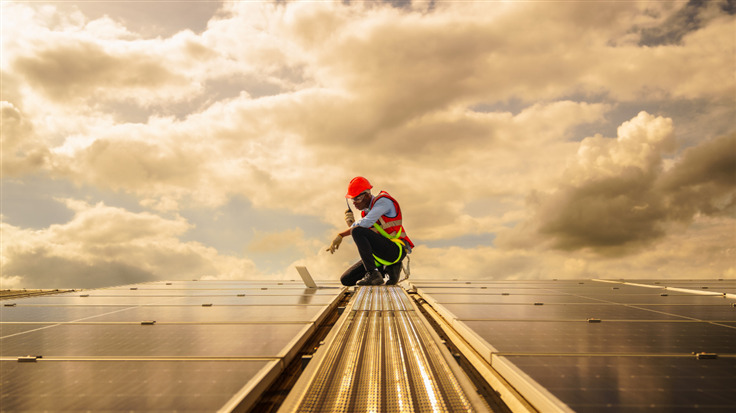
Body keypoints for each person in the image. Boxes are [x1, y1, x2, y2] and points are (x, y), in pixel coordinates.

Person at [326, 177, 414, 286]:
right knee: (346, 280)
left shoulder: (383, 201)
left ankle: (373, 274)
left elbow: (362, 226)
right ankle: (388, 269)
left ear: (367, 195)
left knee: (357, 231)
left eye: (357, 199)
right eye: (352, 200)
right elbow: (363, 232)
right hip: (380, 255)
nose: (354, 203)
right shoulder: (366, 213)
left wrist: (341, 235)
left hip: (396, 250)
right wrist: (350, 222)